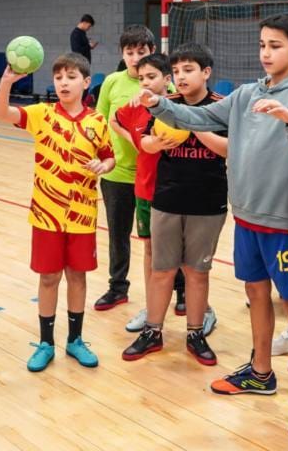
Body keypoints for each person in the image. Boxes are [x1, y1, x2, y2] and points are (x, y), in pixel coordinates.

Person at [157, 13, 288, 438]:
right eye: (263, 45)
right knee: (255, 292)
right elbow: (198, 119)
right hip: (246, 216)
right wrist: (158, 104)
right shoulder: (246, 93)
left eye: (276, 46)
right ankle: (261, 371)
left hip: (284, 222)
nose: (267, 53)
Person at [0, 53, 114, 372]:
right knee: (49, 277)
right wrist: (6, 82)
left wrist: (104, 165)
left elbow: (109, 156)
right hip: (46, 214)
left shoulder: (97, 121)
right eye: (59, 77)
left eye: (71, 77)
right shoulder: (42, 114)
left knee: (77, 275)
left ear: (86, 83)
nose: (63, 82)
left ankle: (75, 339)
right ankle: (46, 343)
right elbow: (2, 113)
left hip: (83, 214)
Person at [122, 43, 227, 368]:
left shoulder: (222, 107)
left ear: (206, 73)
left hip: (208, 203)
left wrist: (192, 123)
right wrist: (152, 142)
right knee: (161, 270)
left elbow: (229, 150)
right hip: (166, 198)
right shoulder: (164, 105)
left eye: (188, 70)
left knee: (197, 272)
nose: (181, 77)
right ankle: (153, 331)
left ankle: (195, 332)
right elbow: (147, 142)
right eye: (177, 71)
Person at [94, 25, 156, 311]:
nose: (134, 58)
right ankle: (117, 287)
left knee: (160, 240)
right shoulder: (112, 82)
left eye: (140, 52)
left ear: (152, 52)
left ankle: (178, 290)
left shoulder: (162, 85)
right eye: (129, 53)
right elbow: (98, 122)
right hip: (117, 173)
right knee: (118, 235)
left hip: (154, 176)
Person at [113, 54, 175, 333]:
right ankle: (152, 308)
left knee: (184, 257)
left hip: (177, 191)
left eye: (152, 77)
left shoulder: (178, 105)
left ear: (167, 79)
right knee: (150, 250)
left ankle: (201, 309)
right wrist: (135, 140)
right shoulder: (134, 107)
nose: (146, 82)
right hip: (146, 189)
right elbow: (115, 121)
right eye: (141, 78)